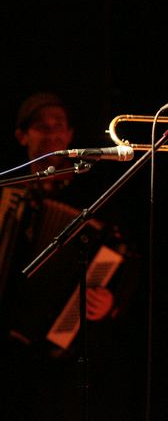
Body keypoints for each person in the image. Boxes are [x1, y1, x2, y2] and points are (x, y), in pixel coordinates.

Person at [0, 91, 140, 420]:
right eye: (40, 126)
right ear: (22, 136)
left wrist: (110, 300)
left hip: (59, 351)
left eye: (59, 125)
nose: (52, 133)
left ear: (71, 135)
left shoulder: (93, 196)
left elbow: (126, 256)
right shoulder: (7, 191)